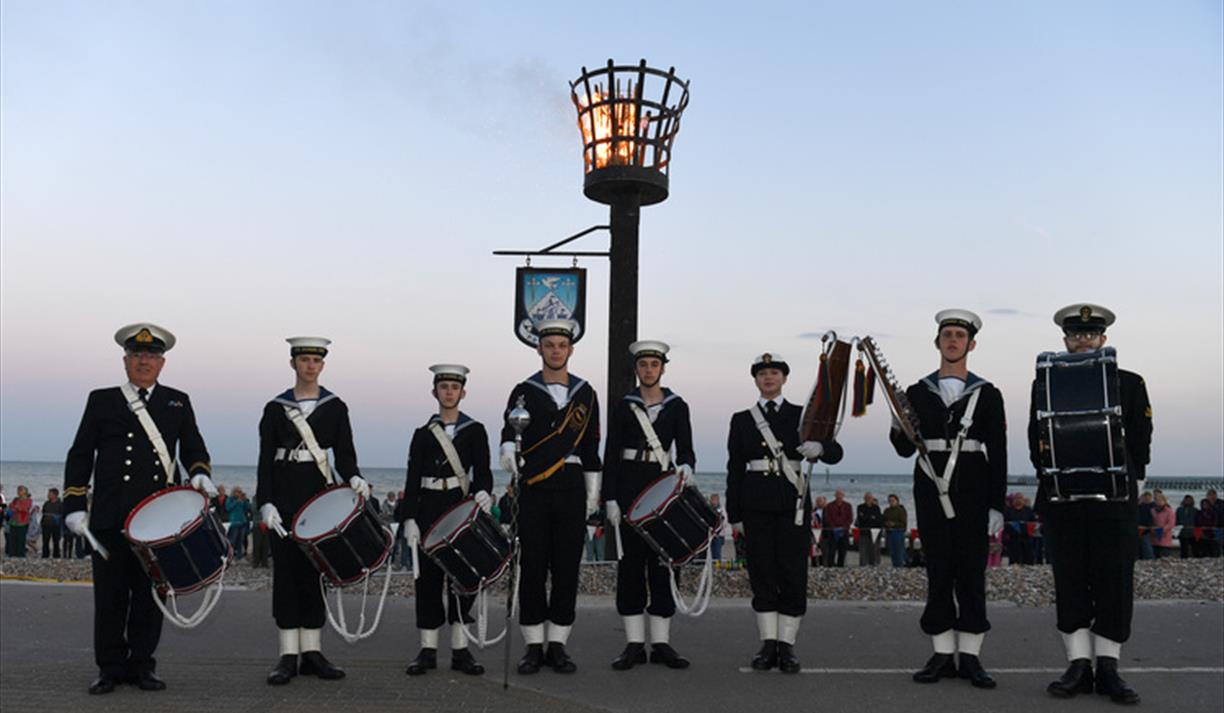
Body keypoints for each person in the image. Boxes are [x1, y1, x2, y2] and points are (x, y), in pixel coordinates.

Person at [62, 323, 216, 694]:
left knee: (150, 595)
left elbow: (194, 447)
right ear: (125, 361)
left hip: (157, 519)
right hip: (110, 517)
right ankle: (109, 668)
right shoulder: (102, 400)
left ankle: (142, 666)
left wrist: (198, 474)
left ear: (162, 363)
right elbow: (81, 454)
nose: (144, 361)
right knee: (110, 597)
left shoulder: (177, 401)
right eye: (137, 355)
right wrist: (74, 505)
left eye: (151, 355)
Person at [1030, 304, 1151, 704]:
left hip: (1113, 499)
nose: (1083, 340)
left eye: (1091, 334)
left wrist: (1128, 482)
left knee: (1114, 581)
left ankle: (1109, 668)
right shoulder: (1045, 383)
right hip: (1063, 498)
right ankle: (1079, 665)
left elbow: (1139, 440)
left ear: (1104, 339)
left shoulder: (1130, 383)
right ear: (1064, 340)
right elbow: (1038, 438)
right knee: (1070, 579)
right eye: (1076, 335)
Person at [890, 309, 1006, 689]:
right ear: (937, 342)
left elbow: (999, 453)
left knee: (971, 574)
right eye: (947, 335)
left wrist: (996, 506)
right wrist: (897, 425)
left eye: (959, 335)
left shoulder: (988, 393)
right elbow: (904, 451)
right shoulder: (917, 391)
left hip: (973, 490)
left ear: (971, 344)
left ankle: (971, 657)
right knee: (939, 571)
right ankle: (941, 654)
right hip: (930, 490)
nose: (953, 341)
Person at [256, 337, 370, 686]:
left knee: (315, 574)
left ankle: (313, 653)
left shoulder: (336, 407)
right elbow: (265, 460)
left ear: (322, 366)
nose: (310, 366)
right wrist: (265, 502)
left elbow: (345, 453)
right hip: (285, 497)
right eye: (304, 360)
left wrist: (354, 476)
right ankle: (288, 656)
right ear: (293, 364)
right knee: (287, 576)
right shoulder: (275, 408)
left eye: (315, 361)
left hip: (318, 497)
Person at [726, 352, 843, 674]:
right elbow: (734, 469)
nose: (769, 378)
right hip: (755, 504)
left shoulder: (802, 414)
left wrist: (821, 449)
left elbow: (835, 450)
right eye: (763, 373)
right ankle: (768, 644)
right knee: (762, 573)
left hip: (792, 503)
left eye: (774, 372)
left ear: (784, 378)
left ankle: (787, 646)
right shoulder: (742, 419)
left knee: (792, 574)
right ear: (756, 379)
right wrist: (733, 513)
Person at [499, 319, 602, 674]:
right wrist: (507, 448)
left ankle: (557, 644)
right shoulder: (523, 390)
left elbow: (591, 448)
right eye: (550, 345)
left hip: (571, 486)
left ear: (570, 350)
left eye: (562, 345)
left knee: (566, 568)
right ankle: (532, 646)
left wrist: (593, 498)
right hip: (535, 489)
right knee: (532, 568)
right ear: (539, 348)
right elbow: (508, 428)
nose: (556, 350)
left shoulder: (586, 394)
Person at [602, 340, 696, 671]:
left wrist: (686, 465)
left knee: (663, 566)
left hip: (663, 492)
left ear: (663, 368)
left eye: (654, 365)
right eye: (643, 365)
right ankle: (633, 645)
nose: (648, 370)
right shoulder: (622, 405)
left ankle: (661, 644)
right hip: (628, 489)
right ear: (637, 369)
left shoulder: (677, 405)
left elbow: (686, 448)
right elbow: (611, 453)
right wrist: (609, 498)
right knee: (630, 569)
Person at [399, 364, 493, 677]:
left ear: (463, 392)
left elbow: (484, 471)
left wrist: (484, 493)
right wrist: (409, 517)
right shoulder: (421, 434)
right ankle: (427, 650)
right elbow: (412, 479)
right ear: (434, 392)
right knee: (427, 580)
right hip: (428, 508)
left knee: (463, 579)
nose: (449, 392)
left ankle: (460, 650)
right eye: (444, 387)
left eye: (455, 387)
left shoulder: (475, 430)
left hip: (460, 507)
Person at [821, 489, 852, 567]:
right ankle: (830, 566)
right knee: (831, 551)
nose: (839, 496)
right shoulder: (829, 505)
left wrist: (844, 528)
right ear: (835, 496)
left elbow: (850, 518)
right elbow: (827, 518)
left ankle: (840, 567)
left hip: (844, 531)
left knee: (843, 551)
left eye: (841, 495)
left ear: (843, 496)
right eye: (837, 495)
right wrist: (834, 527)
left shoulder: (848, 505)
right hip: (832, 531)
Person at [855, 493, 883, 566]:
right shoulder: (860, 507)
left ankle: (874, 564)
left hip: (875, 532)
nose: (868, 500)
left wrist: (868, 517)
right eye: (867, 498)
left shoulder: (876, 508)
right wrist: (871, 517)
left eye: (870, 498)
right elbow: (861, 519)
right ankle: (863, 565)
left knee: (874, 549)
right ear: (864, 499)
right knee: (863, 550)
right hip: (863, 532)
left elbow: (878, 520)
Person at [225, 487, 251, 559]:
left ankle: (240, 557)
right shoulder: (230, 499)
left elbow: (248, 508)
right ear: (234, 492)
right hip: (234, 522)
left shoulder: (242, 499)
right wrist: (236, 502)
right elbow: (228, 508)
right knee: (232, 540)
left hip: (242, 522)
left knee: (241, 541)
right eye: (237, 492)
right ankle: (230, 557)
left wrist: (245, 501)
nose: (239, 493)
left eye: (240, 492)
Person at [883, 494, 908, 567]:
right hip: (889, 532)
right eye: (889, 501)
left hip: (898, 532)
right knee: (892, 551)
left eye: (893, 501)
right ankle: (895, 565)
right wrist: (886, 524)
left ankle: (900, 565)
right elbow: (883, 519)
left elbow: (903, 523)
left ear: (897, 501)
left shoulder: (901, 510)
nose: (891, 502)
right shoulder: (887, 510)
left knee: (899, 551)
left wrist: (894, 524)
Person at [7, 485, 32, 557]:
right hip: (13, 521)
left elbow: (25, 509)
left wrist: (17, 508)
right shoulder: (15, 499)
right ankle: (12, 553)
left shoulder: (28, 500)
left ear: (25, 492)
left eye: (21, 490)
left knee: (21, 539)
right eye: (18, 490)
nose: (19, 492)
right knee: (12, 538)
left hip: (22, 522)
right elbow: (11, 506)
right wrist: (15, 508)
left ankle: (20, 554)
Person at [1150, 492, 1176, 558]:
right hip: (1153, 538)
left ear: (1164, 501)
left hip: (1165, 539)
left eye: (1160, 500)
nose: (1158, 501)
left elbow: (1171, 524)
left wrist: (1161, 530)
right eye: (1156, 500)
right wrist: (1152, 528)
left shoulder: (1169, 511)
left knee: (1164, 557)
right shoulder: (1152, 510)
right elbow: (1150, 521)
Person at [40, 488, 64, 558]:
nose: (48, 495)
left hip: (55, 525)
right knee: (45, 541)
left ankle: (56, 555)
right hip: (46, 524)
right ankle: (45, 555)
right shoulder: (47, 503)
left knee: (56, 541)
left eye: (50, 494)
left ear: (54, 495)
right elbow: (43, 511)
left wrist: (55, 517)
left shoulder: (60, 504)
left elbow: (62, 514)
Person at [1136, 491, 1156, 560]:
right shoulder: (1140, 506)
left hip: (1146, 529)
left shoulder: (1152, 506)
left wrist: (1149, 526)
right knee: (1139, 546)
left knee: (1146, 546)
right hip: (1139, 528)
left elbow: (1151, 518)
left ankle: (1149, 558)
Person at [710, 493, 729, 562]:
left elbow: (725, 522)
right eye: (712, 500)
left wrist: (717, 531)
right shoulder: (710, 509)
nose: (713, 501)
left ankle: (717, 564)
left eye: (715, 500)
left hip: (719, 535)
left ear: (718, 500)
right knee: (711, 552)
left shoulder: (721, 510)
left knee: (717, 553)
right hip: (711, 535)